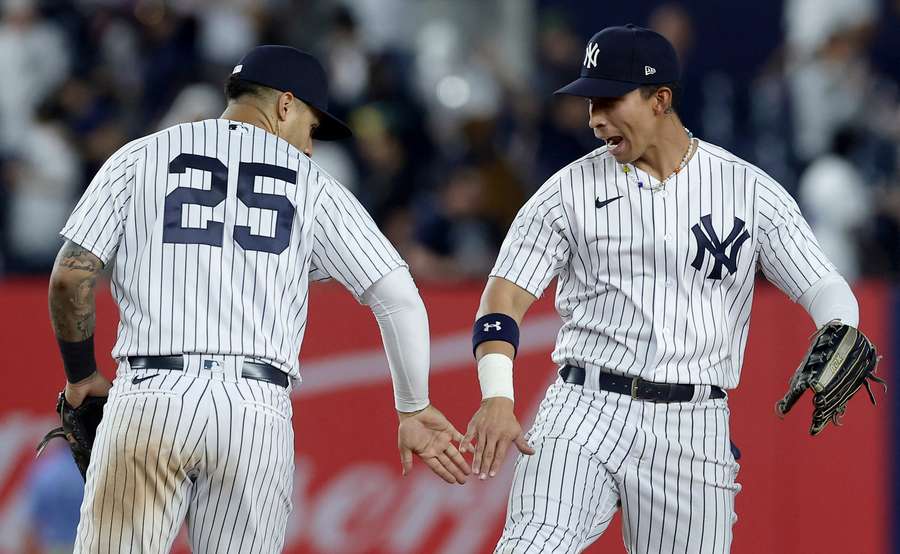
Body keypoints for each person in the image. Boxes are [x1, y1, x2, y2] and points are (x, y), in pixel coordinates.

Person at [47, 45, 470, 554]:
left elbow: (70, 279)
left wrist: (80, 376)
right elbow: (399, 297)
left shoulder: (141, 155)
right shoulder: (313, 184)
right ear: (285, 105)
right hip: (254, 412)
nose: (310, 148)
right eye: (312, 129)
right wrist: (413, 405)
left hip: (150, 395)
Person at [461, 25, 865, 553]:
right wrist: (497, 394)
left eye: (609, 99)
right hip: (584, 408)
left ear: (661, 99)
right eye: (589, 101)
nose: (595, 117)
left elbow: (823, 285)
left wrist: (841, 327)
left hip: (694, 425)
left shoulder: (747, 189)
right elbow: (503, 299)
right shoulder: (566, 192)